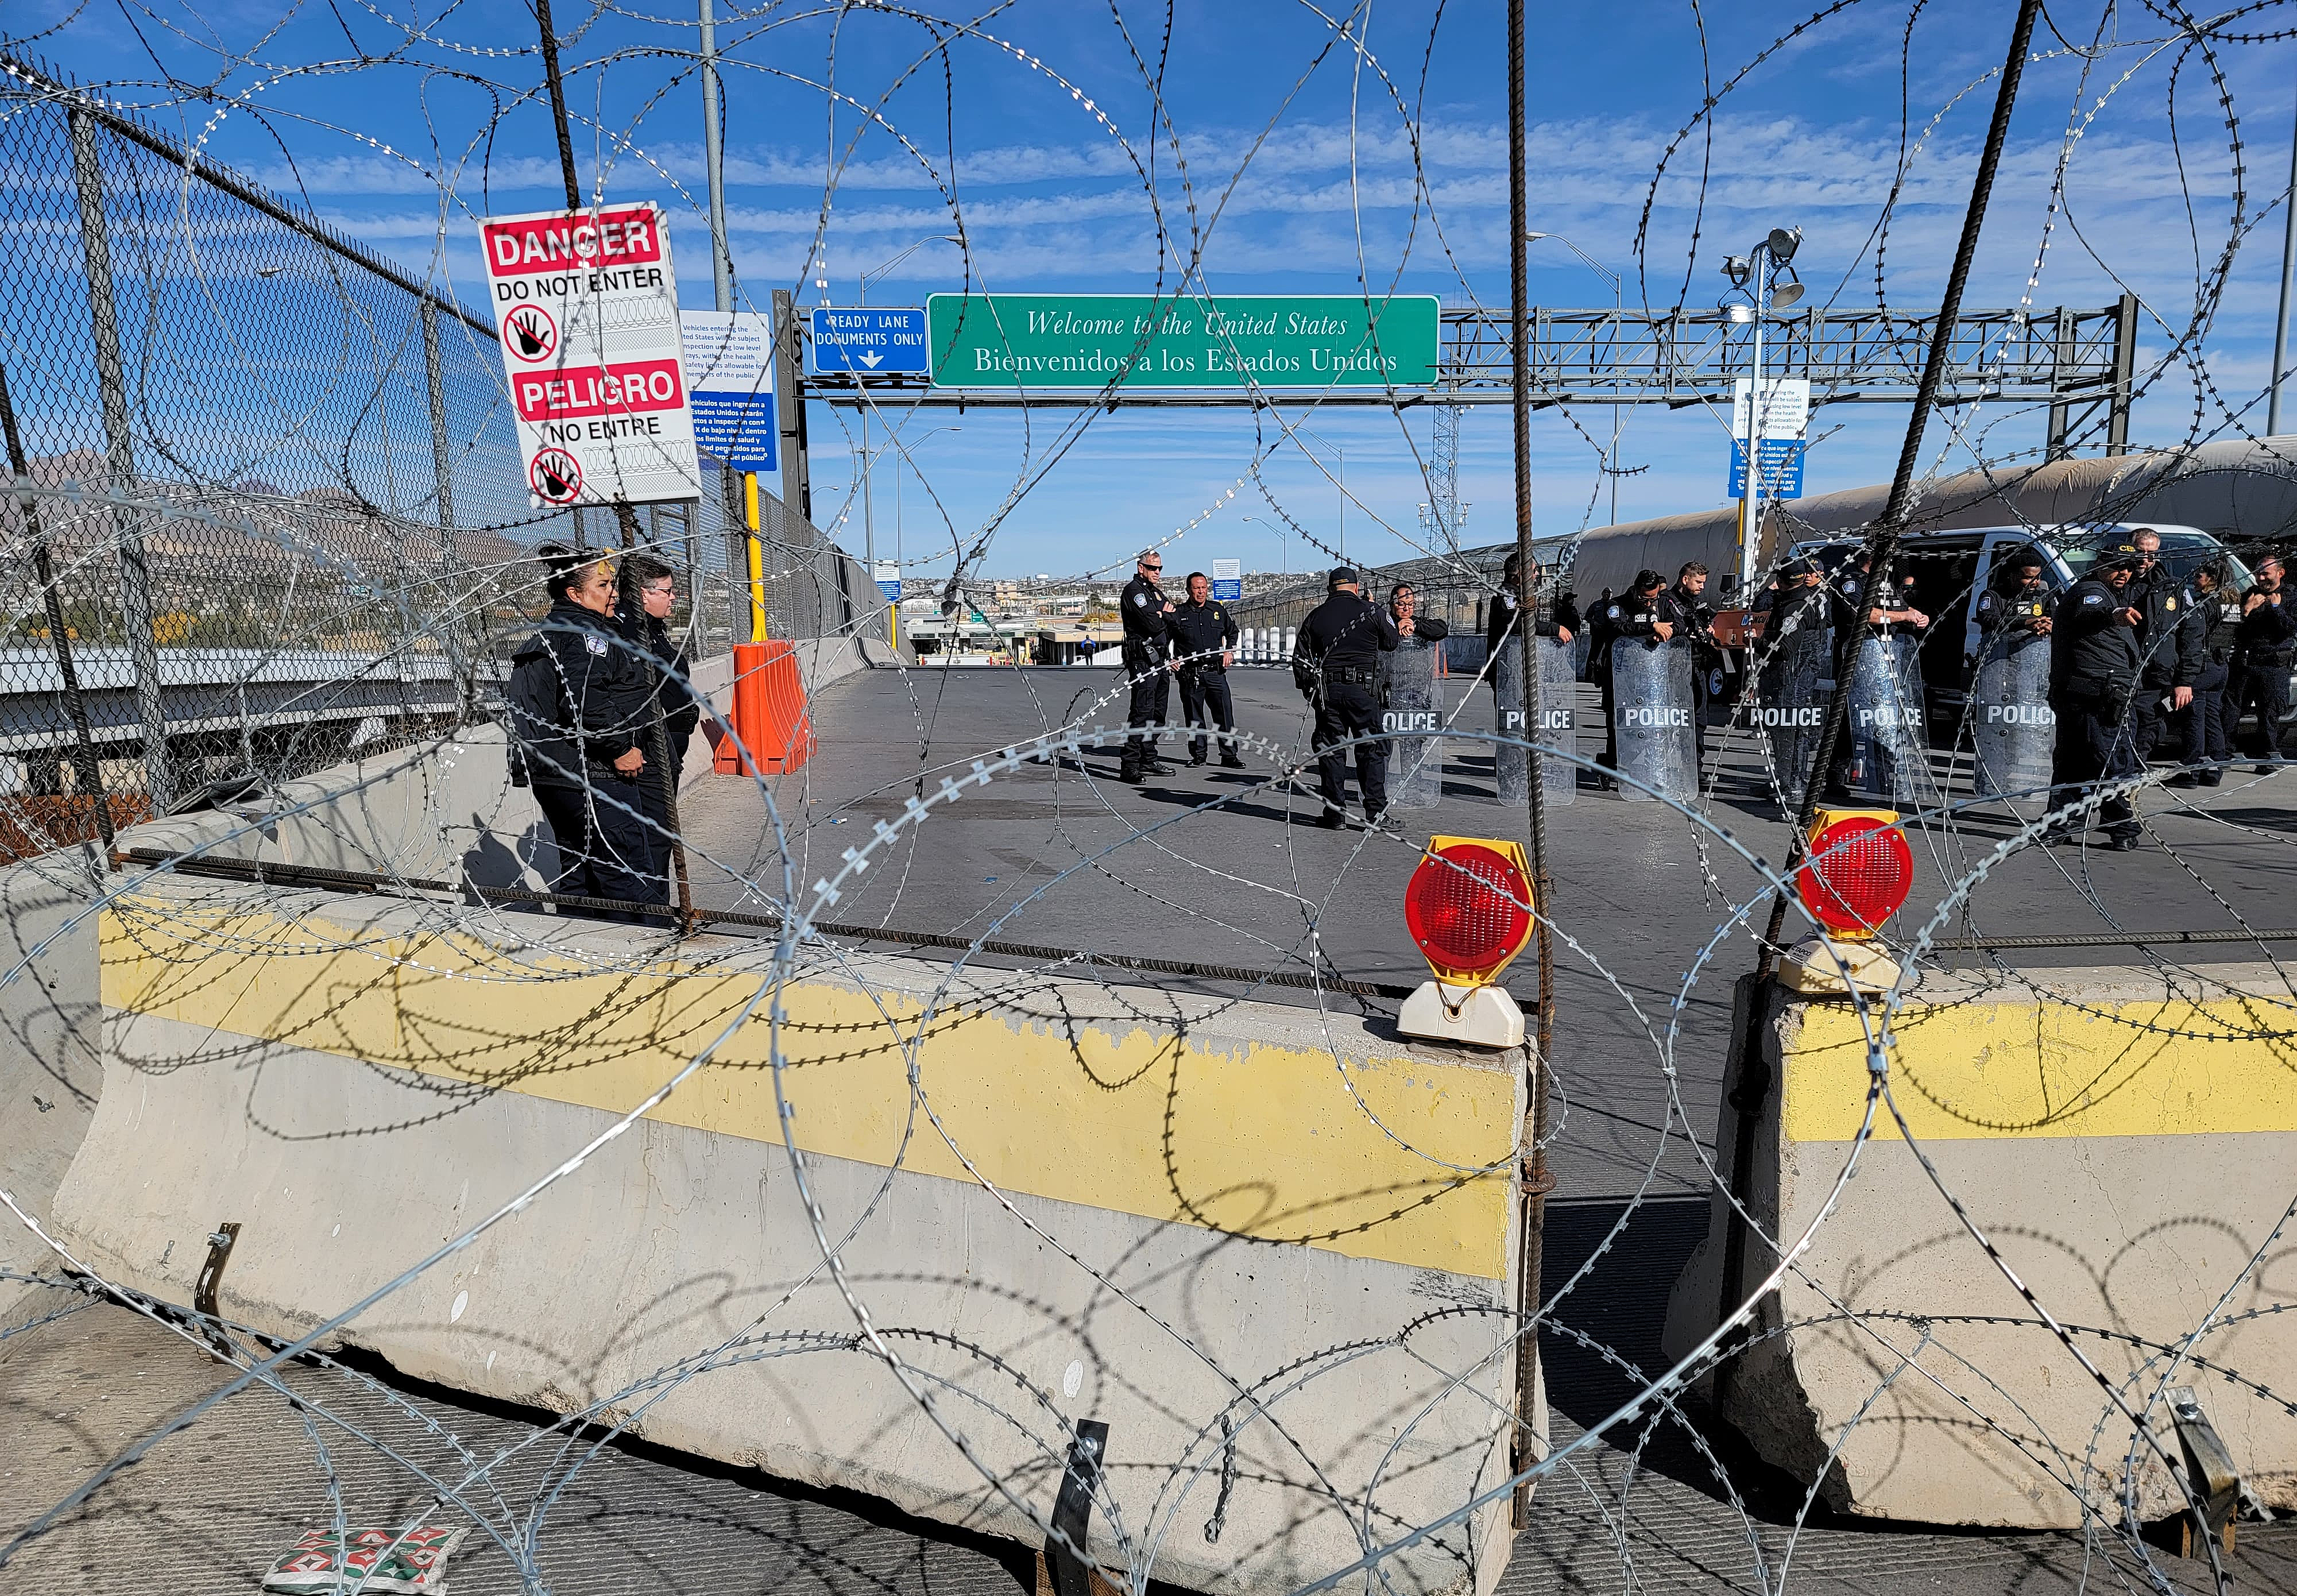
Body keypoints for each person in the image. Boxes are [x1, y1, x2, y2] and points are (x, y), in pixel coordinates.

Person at [505, 544, 662, 913]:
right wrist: (620, 748)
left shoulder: (551, 632)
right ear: (575, 594)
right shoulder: (584, 636)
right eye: (604, 585)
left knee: (580, 872)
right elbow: (585, 701)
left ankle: (582, 950)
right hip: (592, 772)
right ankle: (643, 957)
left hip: (554, 772)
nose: (615, 592)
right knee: (627, 875)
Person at [2043, 543, 2145, 850]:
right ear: (2100, 563)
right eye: (2117, 566)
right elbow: (2092, 613)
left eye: (2129, 567)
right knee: (2108, 760)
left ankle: (2060, 824)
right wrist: (2115, 614)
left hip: (2087, 691)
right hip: (2095, 694)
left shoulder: (2110, 591)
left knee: (2076, 761)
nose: (2123, 573)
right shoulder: (2091, 591)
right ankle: (2120, 827)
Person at [615, 554, 701, 891]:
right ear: (642, 593)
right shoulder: (627, 633)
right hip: (648, 749)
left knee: (661, 835)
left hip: (668, 747)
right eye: (667, 590)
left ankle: (658, 907)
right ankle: (653, 914)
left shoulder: (652, 630)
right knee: (653, 837)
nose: (674, 597)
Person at [1293, 566, 1398, 826]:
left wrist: (1311, 691)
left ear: (1330, 589)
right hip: (1363, 691)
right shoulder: (1372, 612)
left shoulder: (1316, 616)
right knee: (1371, 751)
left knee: (1331, 751)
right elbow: (1391, 642)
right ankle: (1376, 814)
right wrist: (1371, 607)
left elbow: (1300, 658)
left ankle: (1335, 814)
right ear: (1357, 586)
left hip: (1328, 693)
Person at [2124, 528, 2202, 762]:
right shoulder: (2116, 582)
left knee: (2148, 731)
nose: (2145, 559)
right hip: (2122, 671)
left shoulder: (2173, 588)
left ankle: (2131, 781)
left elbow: (2191, 635)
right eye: (2140, 552)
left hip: (2155, 676)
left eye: (2152, 553)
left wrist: (2185, 681)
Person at [1594, 569, 1679, 782]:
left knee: (1647, 722)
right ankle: (1611, 765)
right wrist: (1651, 626)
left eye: (1654, 598)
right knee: (1618, 722)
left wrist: (1666, 633)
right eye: (1645, 598)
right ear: (1636, 590)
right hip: (1620, 673)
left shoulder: (1663, 603)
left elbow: (1679, 623)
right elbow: (1619, 627)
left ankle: (1645, 766)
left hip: (1650, 674)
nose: (1649, 603)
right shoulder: (1617, 605)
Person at [2167, 561, 2237, 787]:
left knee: (2194, 720)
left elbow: (2194, 636)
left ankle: (2190, 772)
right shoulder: (2232, 602)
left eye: (2200, 575)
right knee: (2212, 719)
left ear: (2211, 579)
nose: (2196, 580)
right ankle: (2214, 770)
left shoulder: (2204, 604)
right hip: (2221, 667)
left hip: (2203, 667)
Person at [2226, 554, 2297, 771]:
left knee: (2269, 714)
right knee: (2232, 711)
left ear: (2280, 573)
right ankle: (2224, 753)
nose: (2261, 577)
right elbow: (2232, 627)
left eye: (2266, 573)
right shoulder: (2249, 595)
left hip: (2274, 665)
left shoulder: (2291, 597)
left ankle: (2266, 757)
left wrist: (2277, 609)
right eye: (2258, 573)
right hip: (2247, 662)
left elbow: (2290, 629)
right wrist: (2247, 609)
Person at [1168, 571, 1243, 767]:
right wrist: (1170, 659)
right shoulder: (1179, 614)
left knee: (1224, 715)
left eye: (1203, 588)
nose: (1201, 592)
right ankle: (1199, 755)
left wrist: (1229, 651)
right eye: (1196, 588)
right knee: (1194, 717)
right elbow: (1164, 640)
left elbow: (1233, 632)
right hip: (1190, 675)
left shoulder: (1216, 610)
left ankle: (1229, 755)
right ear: (1188, 590)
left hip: (1215, 673)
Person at [1119, 548, 1177, 783]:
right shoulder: (1135, 592)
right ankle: (1130, 763)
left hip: (1160, 658)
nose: (1157, 572)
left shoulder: (1155, 593)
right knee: (1142, 711)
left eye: (1160, 568)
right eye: (1153, 568)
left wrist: (1164, 615)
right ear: (1141, 568)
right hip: (1143, 659)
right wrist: (1162, 615)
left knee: (1158, 712)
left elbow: (1174, 618)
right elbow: (1153, 624)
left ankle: (1148, 756)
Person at [1670, 561, 1719, 768]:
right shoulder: (1668, 602)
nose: (1701, 587)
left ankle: (1695, 765)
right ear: (1685, 579)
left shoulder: (1695, 603)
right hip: (1676, 669)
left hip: (1697, 667)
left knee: (1699, 718)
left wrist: (1707, 632)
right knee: (1677, 719)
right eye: (1698, 582)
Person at [1974, 548, 2056, 643]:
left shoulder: (2045, 596)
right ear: (2013, 576)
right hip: (2001, 653)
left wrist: (2048, 626)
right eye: (2029, 578)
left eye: (2038, 577)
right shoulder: (1993, 595)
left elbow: (2056, 618)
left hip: (2038, 653)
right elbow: (1989, 621)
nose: (2035, 582)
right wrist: (2024, 624)